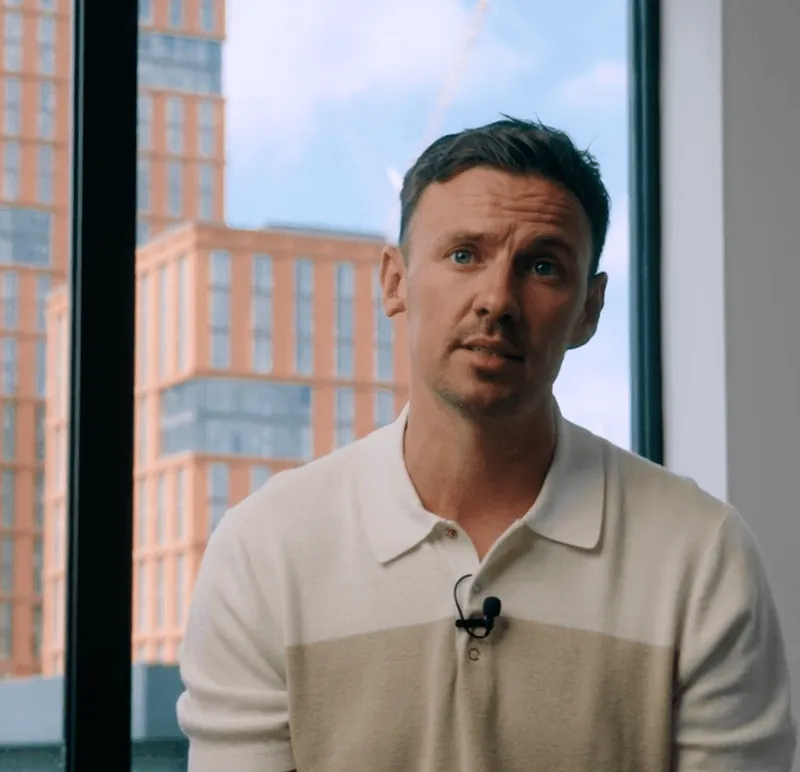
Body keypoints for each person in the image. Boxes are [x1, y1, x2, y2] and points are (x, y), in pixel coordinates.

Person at [176, 117, 796, 772]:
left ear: (589, 309)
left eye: (542, 266)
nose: (497, 300)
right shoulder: (265, 550)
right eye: (465, 255)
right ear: (395, 281)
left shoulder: (700, 556)